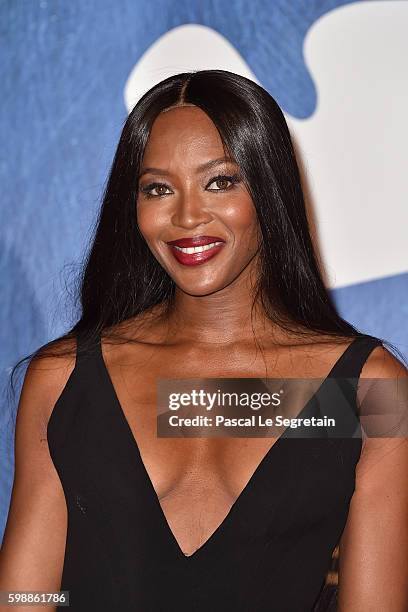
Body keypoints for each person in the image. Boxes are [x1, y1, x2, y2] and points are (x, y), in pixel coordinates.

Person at [0, 70, 407, 612]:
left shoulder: (366, 395)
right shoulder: (65, 379)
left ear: (269, 186)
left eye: (220, 181)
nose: (187, 215)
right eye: (158, 188)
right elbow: (26, 595)